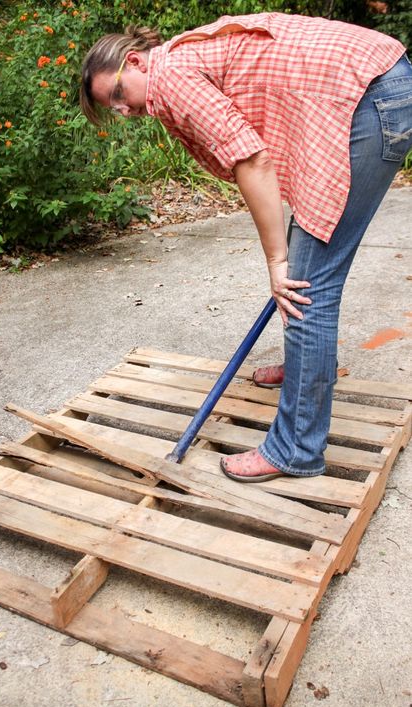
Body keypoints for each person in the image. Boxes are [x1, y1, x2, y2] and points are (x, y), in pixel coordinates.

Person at [80, 13, 412, 483]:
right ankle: (310, 366)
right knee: (309, 256)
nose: (123, 111)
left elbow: (251, 158)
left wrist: (276, 262)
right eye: (113, 108)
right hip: (380, 84)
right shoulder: (180, 57)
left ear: (134, 62)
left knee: (303, 281)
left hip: (371, 96)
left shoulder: (171, 76)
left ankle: (296, 449)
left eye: (117, 95)